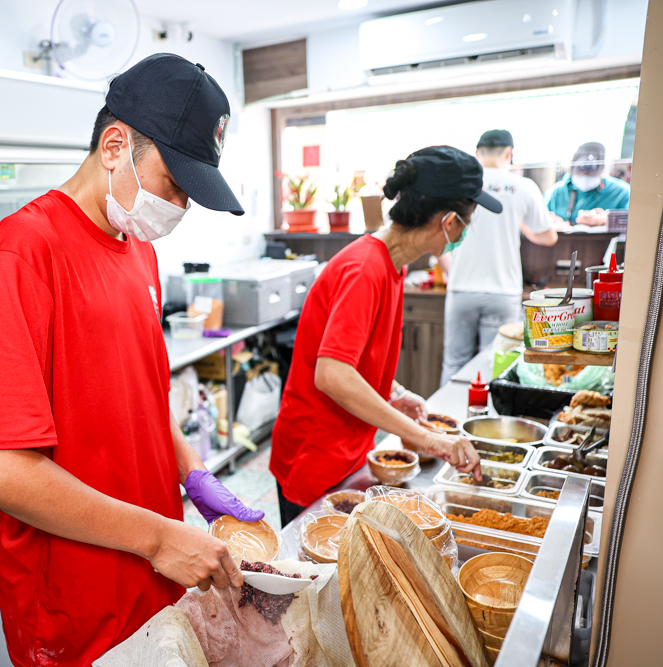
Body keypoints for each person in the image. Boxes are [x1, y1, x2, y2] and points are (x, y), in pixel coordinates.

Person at [0, 54, 262, 666]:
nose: (179, 207)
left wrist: (191, 472)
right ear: (114, 145)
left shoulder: (136, 248)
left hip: (152, 576)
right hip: (75, 604)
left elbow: (138, 391)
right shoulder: (22, 253)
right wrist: (158, 536)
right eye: (176, 185)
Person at [270, 146, 490, 524]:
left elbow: (356, 357)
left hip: (347, 447)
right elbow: (332, 373)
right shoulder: (365, 269)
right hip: (316, 456)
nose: (463, 234)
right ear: (450, 222)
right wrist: (430, 440)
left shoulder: (391, 265)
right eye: (467, 223)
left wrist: (396, 393)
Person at [439, 130, 558, 385]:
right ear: (509, 154)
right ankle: (484, 421)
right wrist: (519, 224)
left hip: (461, 288)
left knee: (453, 362)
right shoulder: (523, 186)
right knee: (495, 364)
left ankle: (441, 422)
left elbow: (439, 232)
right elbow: (548, 237)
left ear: (477, 154)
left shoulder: (459, 186)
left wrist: (450, 272)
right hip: (503, 291)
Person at [545, 141, 630, 227]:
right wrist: (552, 222)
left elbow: (633, 223)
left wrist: (607, 220)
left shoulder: (621, 193)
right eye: (581, 172)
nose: (585, 175)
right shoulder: (555, 193)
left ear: (603, 170)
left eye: (591, 173)